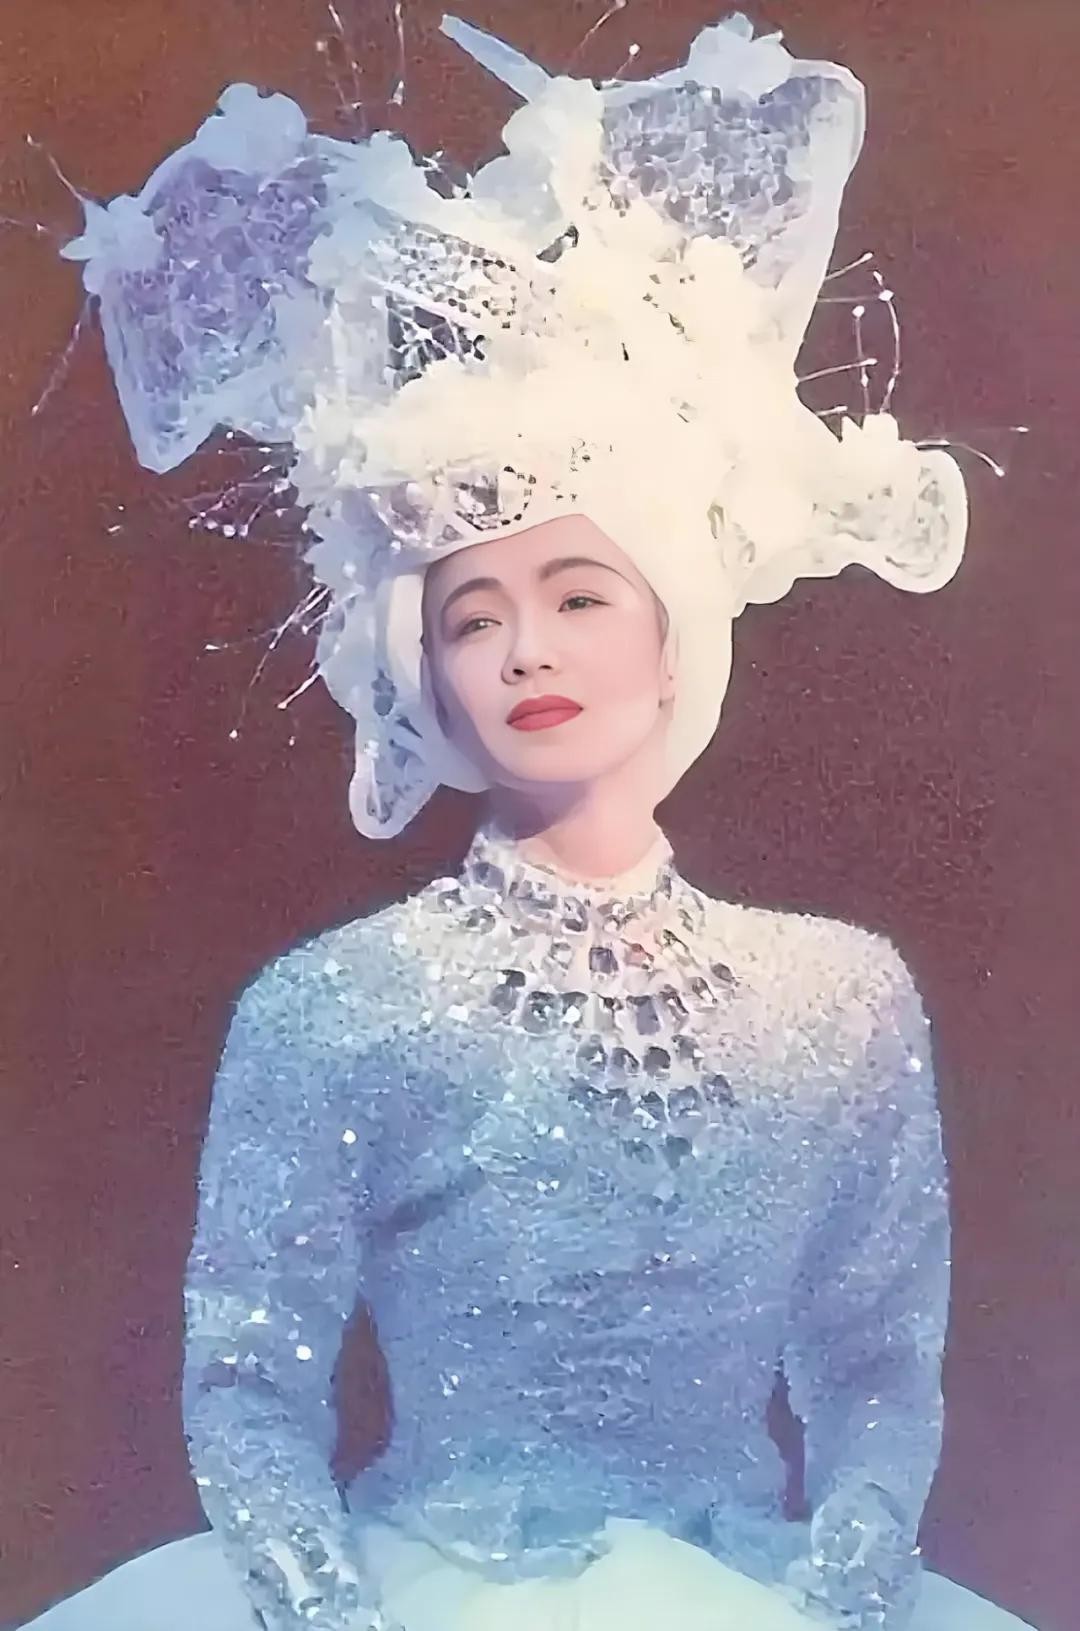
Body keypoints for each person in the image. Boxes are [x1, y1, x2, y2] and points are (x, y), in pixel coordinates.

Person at [21, 12, 1038, 1631]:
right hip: (423, 1586)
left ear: (675, 628)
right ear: (421, 668)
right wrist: (326, 1607)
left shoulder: (841, 999)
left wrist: (843, 1589)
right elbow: (248, 1383)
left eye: (578, 595)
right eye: (472, 617)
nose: (526, 653)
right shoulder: (335, 1006)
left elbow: (875, 1368)